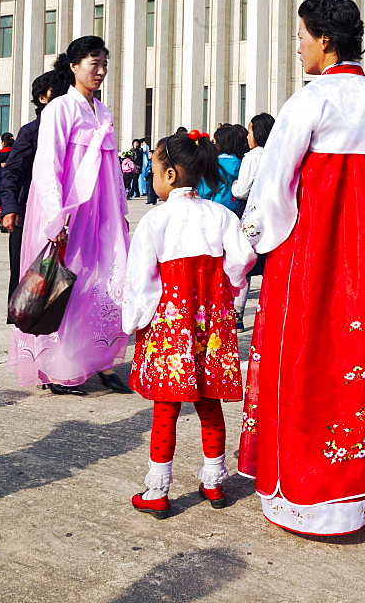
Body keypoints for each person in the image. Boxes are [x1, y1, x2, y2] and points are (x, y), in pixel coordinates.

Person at [238, 0, 365, 535]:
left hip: (315, 252)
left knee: (308, 353)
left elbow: (274, 186)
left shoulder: (309, 102)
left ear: (324, 40)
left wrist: (250, 247)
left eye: (300, 37)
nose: (298, 48)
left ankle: (311, 488)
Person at [122, 131, 256, 517]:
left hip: (170, 326)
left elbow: (141, 280)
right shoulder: (221, 215)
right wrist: (227, 291)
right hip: (210, 326)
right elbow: (243, 258)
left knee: (165, 408)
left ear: (167, 175)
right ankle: (214, 482)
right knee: (209, 403)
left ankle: (157, 489)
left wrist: (135, 319)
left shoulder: (155, 220)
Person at [7, 36, 132, 396]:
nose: (101, 71)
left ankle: (98, 361)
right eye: (95, 63)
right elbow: (48, 165)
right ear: (74, 66)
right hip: (71, 213)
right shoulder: (60, 109)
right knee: (67, 285)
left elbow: (110, 169)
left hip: (102, 212)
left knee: (104, 282)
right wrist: (56, 216)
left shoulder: (103, 112)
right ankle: (55, 366)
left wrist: (120, 212)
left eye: (105, 63)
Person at [0, 71, 70, 322]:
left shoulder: (74, 130)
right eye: (58, 92)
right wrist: (10, 208)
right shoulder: (32, 131)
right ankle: (26, 327)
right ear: (42, 98)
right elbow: (12, 173)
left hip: (64, 215)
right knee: (27, 276)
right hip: (27, 214)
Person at [231, 112, 275, 330]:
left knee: (245, 264)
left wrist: (235, 185)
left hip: (254, 214)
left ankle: (237, 315)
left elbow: (241, 190)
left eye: (250, 130)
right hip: (276, 215)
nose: (248, 135)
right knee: (271, 265)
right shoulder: (278, 154)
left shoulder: (253, 157)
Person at [197, 124, 248, 212]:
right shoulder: (238, 162)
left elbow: (204, 190)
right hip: (234, 207)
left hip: (215, 207)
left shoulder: (213, 163)